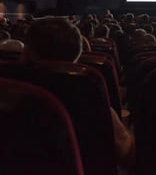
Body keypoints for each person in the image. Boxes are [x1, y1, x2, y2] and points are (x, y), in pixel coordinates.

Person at [23, 18, 134, 167]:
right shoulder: (89, 99)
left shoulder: (2, 88)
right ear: (76, 55)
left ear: (27, 51)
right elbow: (127, 153)